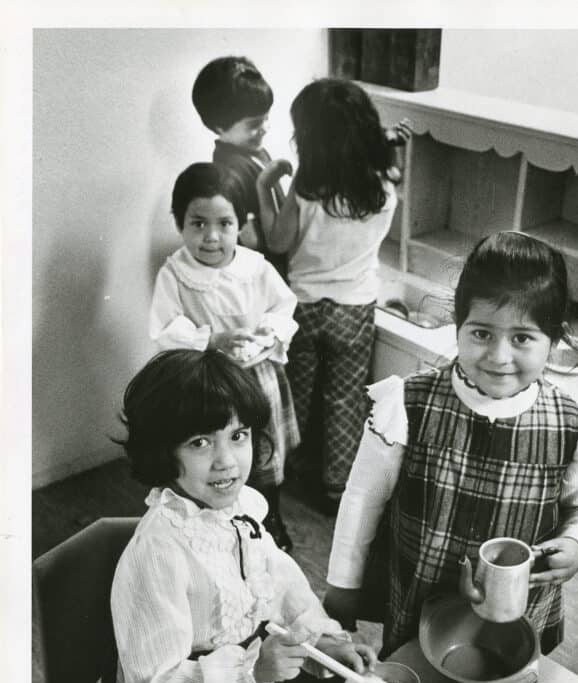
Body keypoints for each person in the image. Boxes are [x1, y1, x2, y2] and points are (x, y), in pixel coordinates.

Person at [324, 231, 578, 657]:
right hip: (420, 600)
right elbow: (362, 497)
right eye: (481, 333)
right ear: (458, 326)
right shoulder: (406, 405)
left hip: (515, 610)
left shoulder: (574, 426)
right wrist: (343, 582)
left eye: (522, 338)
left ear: (553, 341)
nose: (499, 357)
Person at [111, 349, 376, 683]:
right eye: (201, 442)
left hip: (256, 670)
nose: (227, 461)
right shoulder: (158, 554)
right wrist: (253, 670)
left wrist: (318, 643)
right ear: (162, 452)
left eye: (238, 435)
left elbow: (281, 583)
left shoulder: (239, 512)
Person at [258, 78, 405, 515]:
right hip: (355, 308)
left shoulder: (307, 190)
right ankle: (338, 487)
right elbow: (389, 167)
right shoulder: (385, 190)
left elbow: (278, 241)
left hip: (303, 306)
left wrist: (264, 186)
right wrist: (392, 147)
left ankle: (278, 475)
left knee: (295, 396)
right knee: (345, 400)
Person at [149, 162, 299, 550]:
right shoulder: (175, 274)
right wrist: (212, 339)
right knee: (213, 458)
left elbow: (284, 305)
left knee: (261, 454)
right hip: (205, 383)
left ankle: (271, 521)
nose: (211, 237)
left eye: (225, 224)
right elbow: (165, 329)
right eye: (198, 224)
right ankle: (212, 525)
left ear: (241, 223)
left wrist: (267, 331)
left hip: (255, 376)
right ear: (179, 222)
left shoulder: (254, 266)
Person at [191, 55, 290, 276]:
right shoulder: (228, 171)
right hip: (267, 268)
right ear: (219, 126)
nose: (265, 128)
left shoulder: (252, 149)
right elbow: (246, 238)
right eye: (254, 124)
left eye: (266, 118)